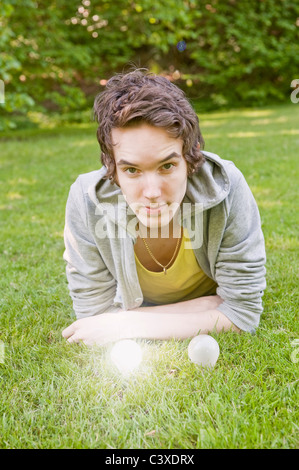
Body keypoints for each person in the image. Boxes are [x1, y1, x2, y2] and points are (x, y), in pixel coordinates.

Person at [62, 68, 266, 346]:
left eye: (167, 166)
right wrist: (208, 306)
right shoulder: (87, 199)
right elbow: (94, 318)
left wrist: (128, 321)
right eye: (132, 170)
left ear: (190, 160)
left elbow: (243, 314)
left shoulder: (226, 186)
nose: (152, 192)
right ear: (112, 170)